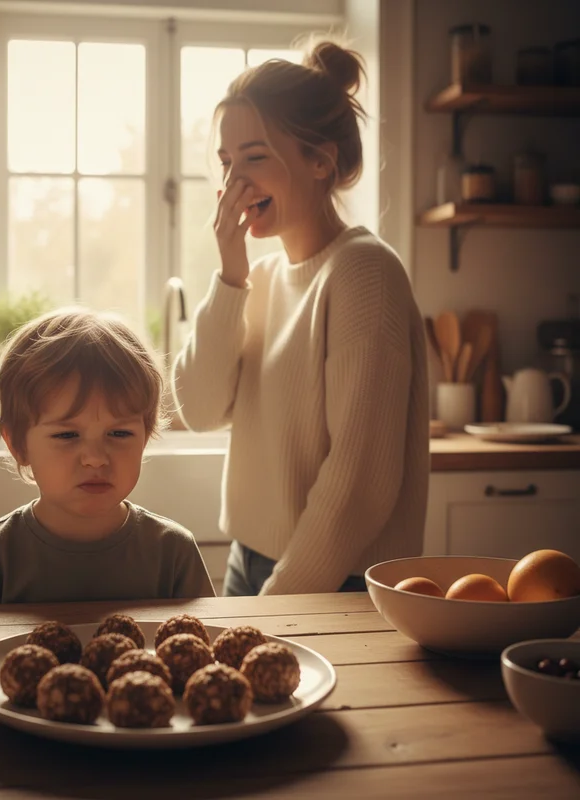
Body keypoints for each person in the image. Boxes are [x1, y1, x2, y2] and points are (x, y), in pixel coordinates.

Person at [171, 39, 429, 597]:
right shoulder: (257, 280)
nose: (235, 183)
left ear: (320, 160)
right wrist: (230, 274)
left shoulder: (363, 272)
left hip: (336, 581)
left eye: (255, 156)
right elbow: (198, 408)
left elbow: (361, 480)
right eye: (226, 161)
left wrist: (284, 597)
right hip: (251, 562)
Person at [0, 308, 215, 604]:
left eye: (119, 434)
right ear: (18, 446)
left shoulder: (173, 553)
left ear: (145, 437)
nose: (95, 459)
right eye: (67, 435)